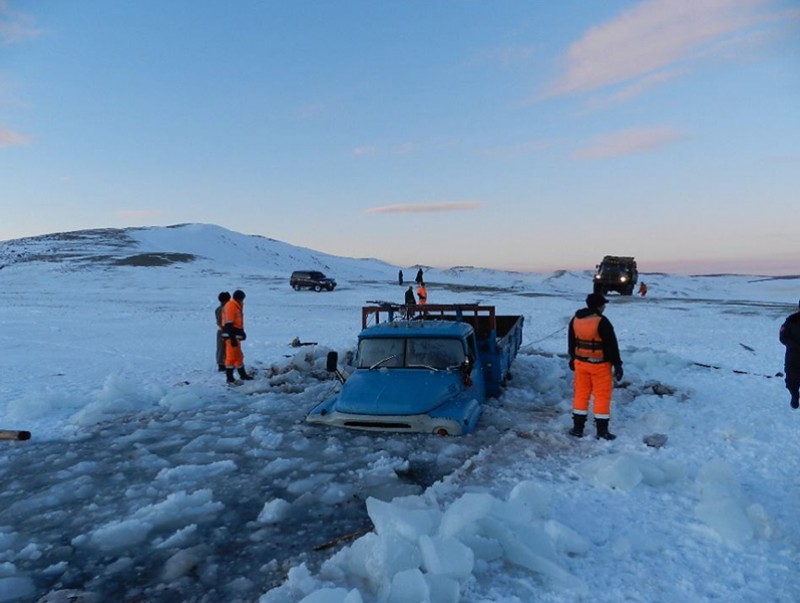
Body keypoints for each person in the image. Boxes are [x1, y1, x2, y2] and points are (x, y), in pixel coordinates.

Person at [567, 292, 624, 439]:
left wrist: (572, 358)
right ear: (599, 306)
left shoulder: (576, 319)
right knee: (602, 396)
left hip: (580, 363)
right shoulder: (602, 321)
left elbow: (572, 341)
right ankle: (602, 431)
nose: (604, 307)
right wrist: (617, 364)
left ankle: (577, 428)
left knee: (581, 394)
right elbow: (612, 345)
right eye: (603, 304)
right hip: (600, 365)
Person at [221, 289, 253, 384]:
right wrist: (232, 338)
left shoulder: (236, 306)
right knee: (231, 357)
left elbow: (237, 322)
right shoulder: (231, 306)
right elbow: (229, 324)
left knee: (238, 356)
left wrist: (242, 332)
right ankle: (229, 377)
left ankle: (243, 375)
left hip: (235, 335)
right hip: (231, 336)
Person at [779, 299, 800, 409]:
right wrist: (795, 345)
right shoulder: (792, 320)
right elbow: (783, 337)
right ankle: (795, 396)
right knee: (791, 381)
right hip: (793, 356)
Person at [215, 291, 231, 372]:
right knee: (222, 348)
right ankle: (221, 364)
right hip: (224, 330)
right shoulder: (223, 310)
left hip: (223, 330)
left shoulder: (219, 309)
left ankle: (223, 363)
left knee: (223, 348)